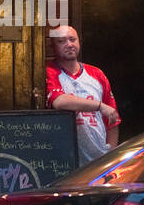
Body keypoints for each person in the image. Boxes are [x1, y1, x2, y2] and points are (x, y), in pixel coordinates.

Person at [46, 24, 120, 163]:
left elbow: (112, 119)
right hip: (66, 161)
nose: (69, 44)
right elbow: (59, 101)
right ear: (52, 47)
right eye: (61, 41)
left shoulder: (97, 74)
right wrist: (99, 106)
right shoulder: (49, 72)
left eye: (72, 39)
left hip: (99, 160)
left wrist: (111, 156)